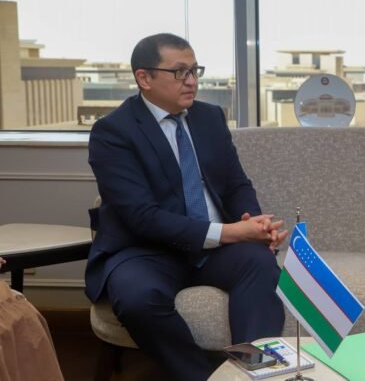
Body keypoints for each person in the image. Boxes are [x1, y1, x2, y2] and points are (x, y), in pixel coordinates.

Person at [86, 33, 287, 380]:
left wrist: (254, 222)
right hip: (146, 250)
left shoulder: (209, 118)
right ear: (144, 78)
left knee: (260, 263)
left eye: (195, 70)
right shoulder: (113, 132)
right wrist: (230, 232)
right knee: (137, 297)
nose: (192, 81)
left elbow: (236, 183)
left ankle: (253, 373)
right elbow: (141, 217)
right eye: (180, 72)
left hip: (215, 251)